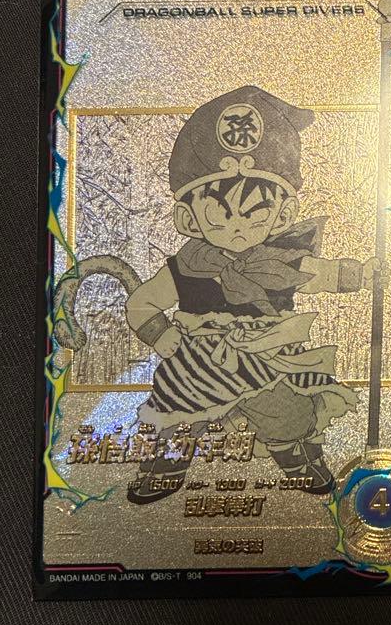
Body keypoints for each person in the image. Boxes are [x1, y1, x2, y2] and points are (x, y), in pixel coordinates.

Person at [124, 85, 377, 503]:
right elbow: (141, 303)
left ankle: (296, 456)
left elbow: (322, 274)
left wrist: (362, 274)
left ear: (283, 214)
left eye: (254, 214)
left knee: (285, 411)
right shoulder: (186, 266)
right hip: (198, 361)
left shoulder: (279, 260)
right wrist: (162, 335)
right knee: (178, 409)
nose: (238, 227)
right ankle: (166, 463)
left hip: (266, 355)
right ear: (188, 218)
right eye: (218, 215)